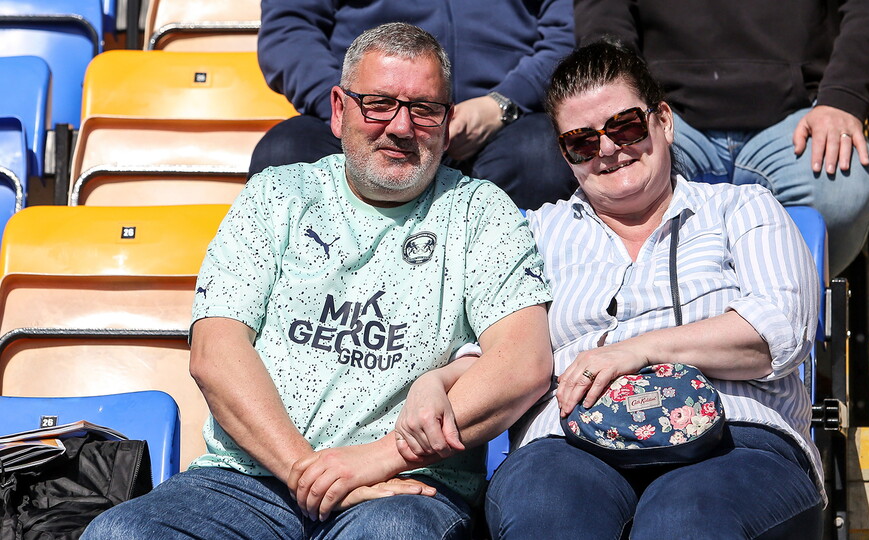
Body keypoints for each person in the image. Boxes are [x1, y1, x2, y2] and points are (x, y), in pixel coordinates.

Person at [81, 22, 553, 539]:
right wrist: (313, 473)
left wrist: (376, 459)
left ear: (446, 120)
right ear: (338, 109)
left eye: (423, 109)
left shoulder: (482, 213)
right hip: (247, 480)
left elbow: (522, 363)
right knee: (119, 533)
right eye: (378, 103)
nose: (400, 127)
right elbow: (215, 353)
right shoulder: (277, 196)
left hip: (405, 488)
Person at [396, 42, 825, 539]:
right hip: (567, 444)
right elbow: (502, 352)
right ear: (564, 154)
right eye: (581, 141)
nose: (607, 150)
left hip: (733, 435)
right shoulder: (535, 234)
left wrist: (634, 351)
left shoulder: (741, 208)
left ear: (662, 120)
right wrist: (438, 380)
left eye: (625, 126)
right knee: (545, 511)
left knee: (682, 520)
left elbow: (779, 331)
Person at [574, 0, 869, 275]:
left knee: (841, 195)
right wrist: (625, 104)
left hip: (798, 113)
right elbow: (604, 14)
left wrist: (844, 98)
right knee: (617, 191)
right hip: (668, 112)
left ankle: (784, 313)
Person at [250, 0, 579, 211]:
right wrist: (359, 107)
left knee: (541, 154)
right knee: (285, 152)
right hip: (366, 113)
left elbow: (567, 33)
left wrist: (503, 104)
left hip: (502, 121)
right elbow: (289, 32)